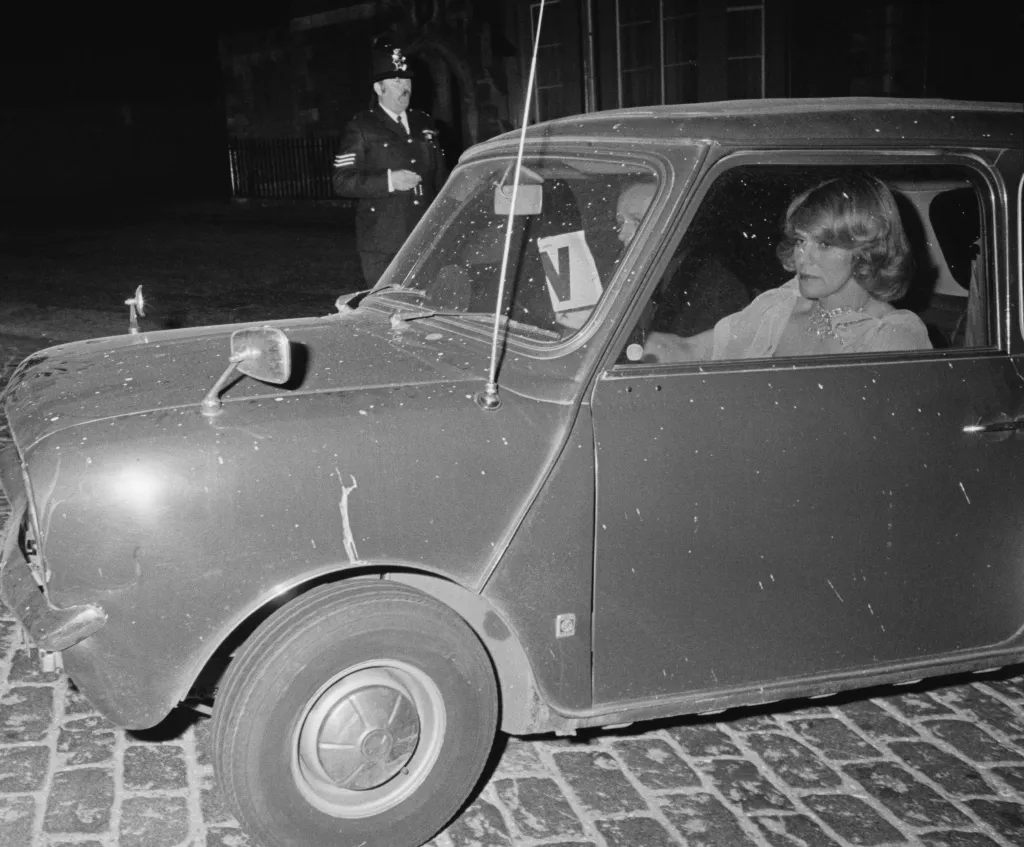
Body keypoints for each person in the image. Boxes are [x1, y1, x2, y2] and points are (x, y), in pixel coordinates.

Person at [642, 174, 931, 362]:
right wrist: (643, 345)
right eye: (801, 240)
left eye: (825, 244)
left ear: (866, 251)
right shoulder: (780, 307)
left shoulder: (891, 335)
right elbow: (694, 350)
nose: (803, 256)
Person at [333, 41, 449, 286]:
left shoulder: (424, 123)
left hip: (424, 237)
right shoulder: (362, 127)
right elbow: (342, 182)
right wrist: (389, 181)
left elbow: (441, 179)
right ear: (379, 88)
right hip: (383, 243)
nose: (404, 87)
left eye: (406, 81)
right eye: (396, 82)